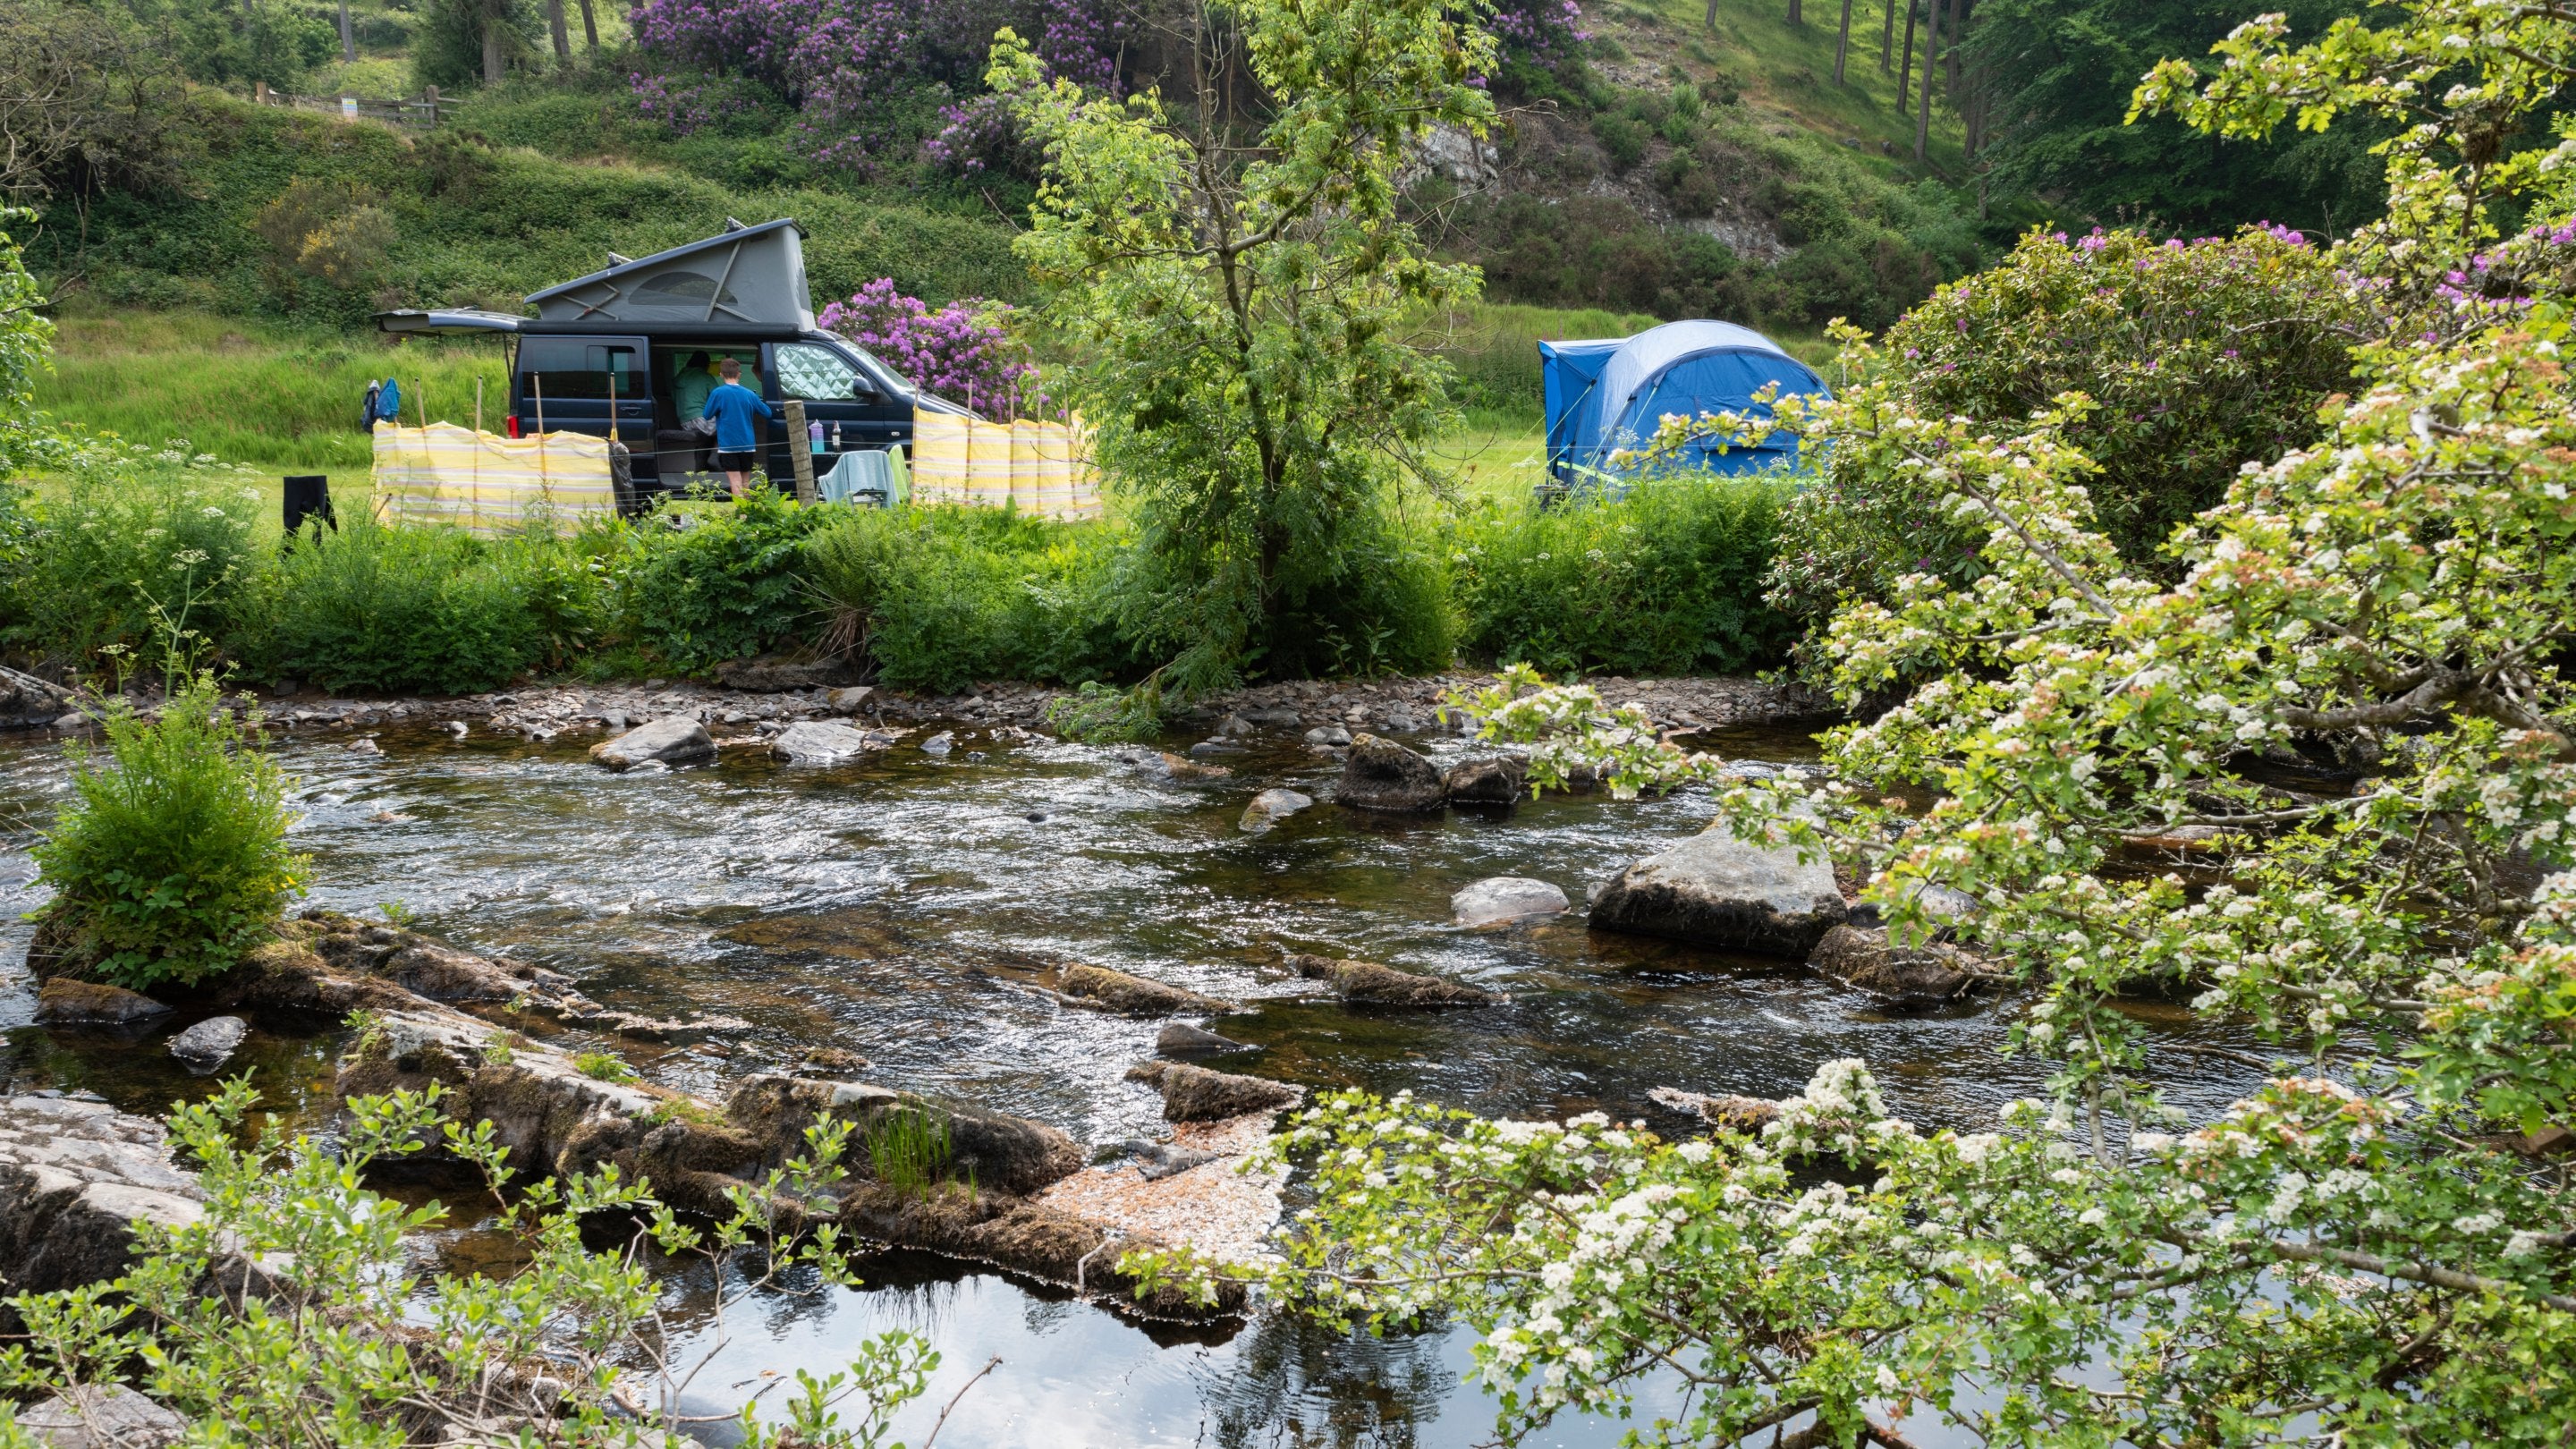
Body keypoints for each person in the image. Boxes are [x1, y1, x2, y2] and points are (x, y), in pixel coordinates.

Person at [702, 357, 773, 499]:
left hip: (728, 445)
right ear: (739, 374)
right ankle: (746, 514)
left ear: (721, 375)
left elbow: (706, 414)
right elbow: (767, 412)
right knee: (745, 481)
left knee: (735, 481)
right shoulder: (749, 394)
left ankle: (741, 515)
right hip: (747, 444)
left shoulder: (718, 393)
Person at [672, 351, 716, 426]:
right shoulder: (705, 376)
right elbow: (720, 397)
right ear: (706, 364)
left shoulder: (677, 378)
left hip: (684, 423)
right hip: (702, 420)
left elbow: (674, 399)